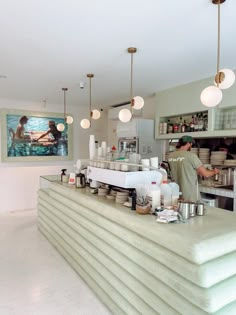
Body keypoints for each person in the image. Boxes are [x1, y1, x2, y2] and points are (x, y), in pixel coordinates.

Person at [168, 135, 220, 202]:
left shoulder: (170, 156)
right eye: (191, 144)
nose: (191, 146)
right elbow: (206, 174)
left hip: (175, 192)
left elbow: (181, 169)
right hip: (190, 194)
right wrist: (214, 171)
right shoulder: (191, 156)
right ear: (188, 143)